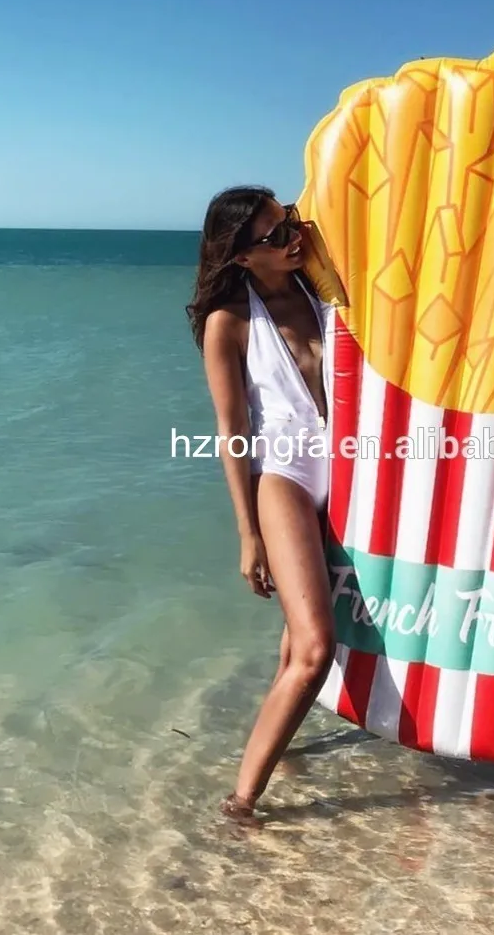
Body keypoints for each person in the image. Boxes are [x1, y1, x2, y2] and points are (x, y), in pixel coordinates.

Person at [185, 185, 336, 823]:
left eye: (291, 222)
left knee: (292, 637)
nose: (293, 237)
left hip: (354, 471)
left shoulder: (323, 287)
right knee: (315, 649)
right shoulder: (231, 322)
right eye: (275, 236)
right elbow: (231, 433)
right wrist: (248, 534)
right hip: (288, 479)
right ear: (243, 258)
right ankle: (241, 803)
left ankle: (283, 742)